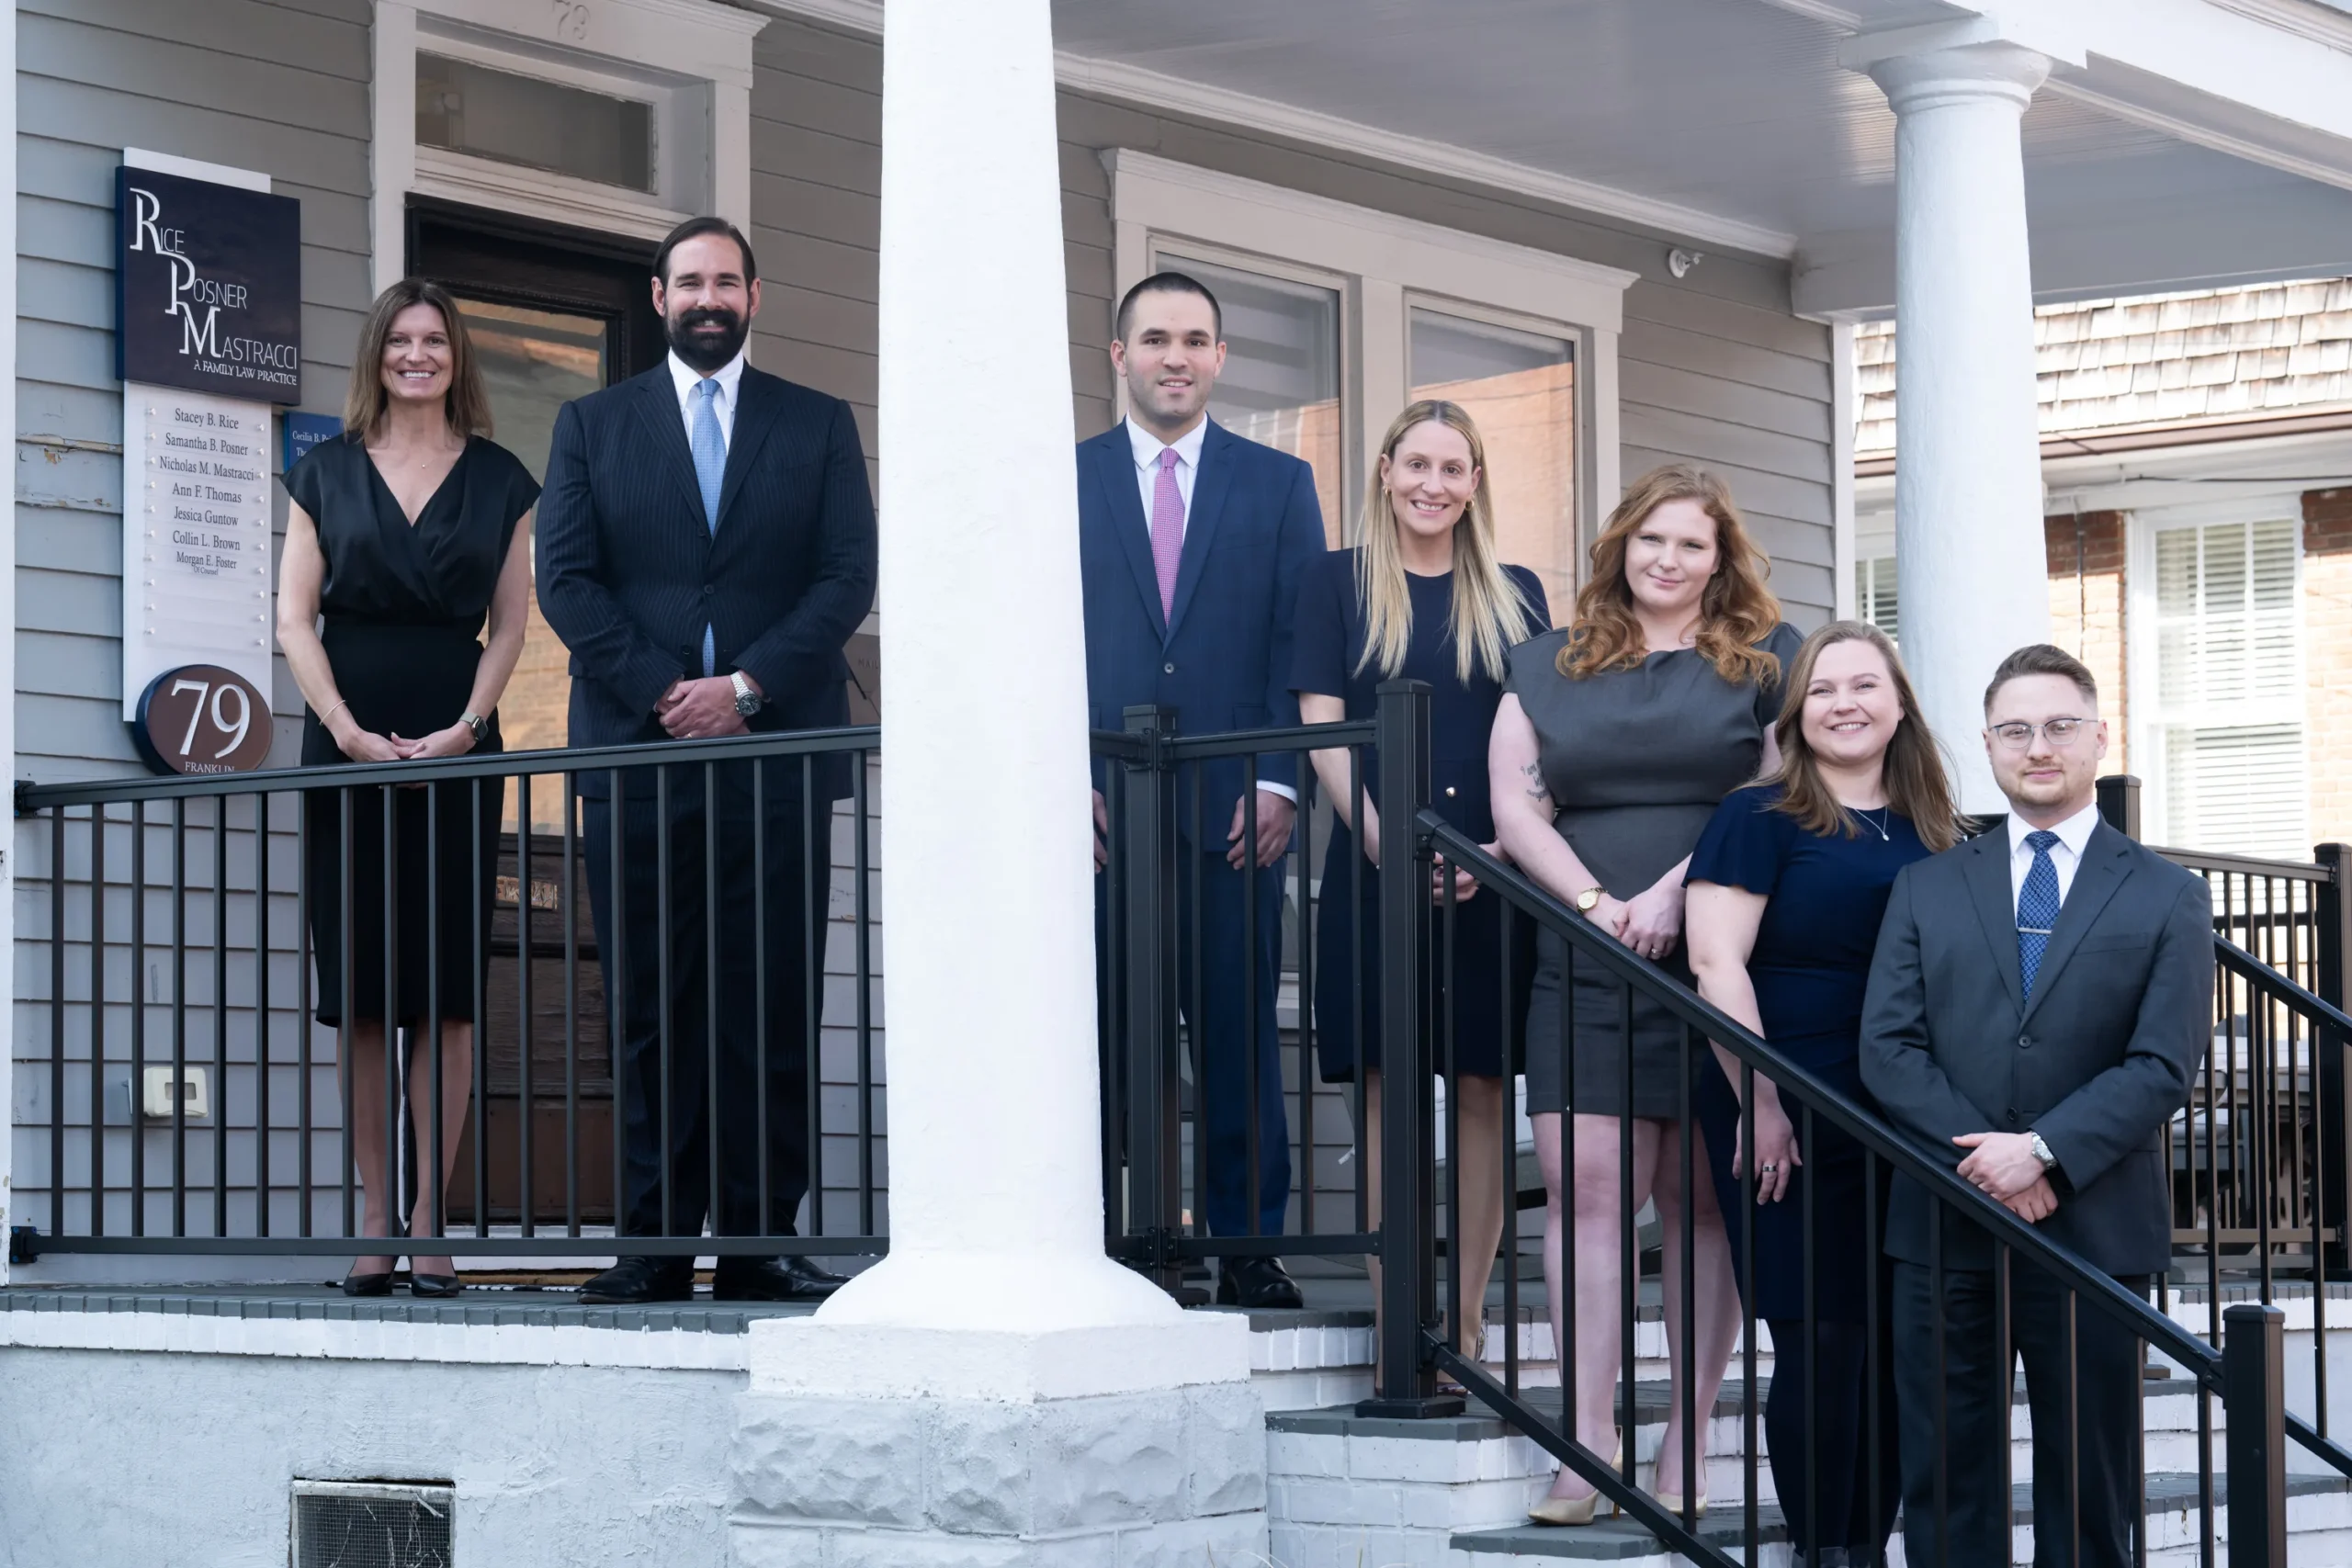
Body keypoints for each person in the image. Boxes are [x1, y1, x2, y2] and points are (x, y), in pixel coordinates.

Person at [536, 217, 877, 1305]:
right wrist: (664, 694)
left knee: (769, 1000)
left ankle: (756, 1241)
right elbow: (568, 580)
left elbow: (844, 578)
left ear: (754, 297)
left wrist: (744, 691)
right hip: (639, 758)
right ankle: (652, 1244)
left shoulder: (817, 425)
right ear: (657, 296)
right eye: (690, 281)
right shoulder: (591, 425)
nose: (708, 298)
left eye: (726, 280)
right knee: (651, 1002)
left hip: (776, 753)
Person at [1491, 463, 1800, 1524]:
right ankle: (1586, 1440)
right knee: (1585, 1189)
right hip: (1585, 959)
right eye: (1650, 540)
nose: (1666, 560)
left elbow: (1774, 786)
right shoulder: (1545, 664)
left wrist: (1675, 891)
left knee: (1706, 1202)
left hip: (1719, 949)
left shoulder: (1765, 663)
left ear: (1721, 563)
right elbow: (1514, 805)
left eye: (1691, 546)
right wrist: (1591, 901)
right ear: (1620, 546)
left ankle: (1687, 1444)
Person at [1860, 644, 2211, 1568]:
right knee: (1945, 1476)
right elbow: (1887, 1050)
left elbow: (2162, 1064)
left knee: (2092, 1481)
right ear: (1987, 746)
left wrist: (2044, 1152)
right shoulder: (1926, 884)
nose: (2037, 747)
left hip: (2090, 1227)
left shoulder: (2169, 895)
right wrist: (1991, 1162)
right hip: (1944, 1225)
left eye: (2058, 726)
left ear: (2099, 736)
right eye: (2015, 730)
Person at [277, 278, 538, 1299]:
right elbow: (296, 618)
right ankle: (376, 1223)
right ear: (377, 355)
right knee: (361, 998)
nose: (417, 355)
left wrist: (468, 729)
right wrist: (340, 727)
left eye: (434, 341)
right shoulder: (324, 474)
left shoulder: (503, 478)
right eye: (401, 340)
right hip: (346, 745)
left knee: (444, 995)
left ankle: (434, 1223)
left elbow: (512, 624)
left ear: (455, 357)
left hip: (453, 745)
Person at [1684, 622, 1964, 1566]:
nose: (1843, 704)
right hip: (1786, 1104)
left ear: (1898, 705)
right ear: (1797, 714)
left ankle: (1866, 1543)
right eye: (1821, 690)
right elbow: (1714, 961)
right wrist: (1761, 1101)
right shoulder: (1758, 818)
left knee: (1896, 1344)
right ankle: (1822, 1549)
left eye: (1863, 686)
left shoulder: (1939, 830)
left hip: (1908, 1114)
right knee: (1819, 1337)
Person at [1078, 271, 1327, 1308]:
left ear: (1220, 359)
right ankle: (1097, 1244)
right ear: (1119, 357)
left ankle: (1245, 1247)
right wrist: (1054, 779)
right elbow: (1028, 643)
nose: (1173, 356)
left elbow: (1298, 638)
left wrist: (1279, 779)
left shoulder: (1276, 485)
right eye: (1154, 338)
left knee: (1233, 1032)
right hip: (1094, 810)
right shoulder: (1062, 480)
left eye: (1193, 339)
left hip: (1235, 808)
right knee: (1098, 1038)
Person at [1293, 400, 1548, 1371]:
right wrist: (1379, 835)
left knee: (1482, 1089)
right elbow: (1322, 724)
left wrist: (1491, 847)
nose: (1432, 485)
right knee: (1387, 1093)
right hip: (1370, 868)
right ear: (1386, 471)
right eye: (1416, 466)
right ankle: (1403, 1314)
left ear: (1475, 482)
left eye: (1453, 468)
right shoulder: (1337, 585)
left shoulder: (1515, 592)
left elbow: (1531, 734)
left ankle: (1471, 1322)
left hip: (1490, 872)